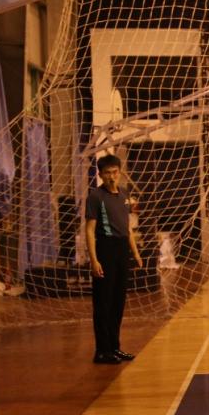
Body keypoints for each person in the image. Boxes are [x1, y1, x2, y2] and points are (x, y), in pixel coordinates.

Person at [85, 154, 143, 364]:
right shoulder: (95, 197)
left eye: (115, 172)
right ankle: (102, 350)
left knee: (118, 301)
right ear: (100, 175)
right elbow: (89, 230)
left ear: (120, 172)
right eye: (107, 173)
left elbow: (127, 227)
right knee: (104, 302)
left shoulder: (124, 194)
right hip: (105, 248)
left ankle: (114, 347)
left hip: (121, 250)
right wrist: (94, 260)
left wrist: (135, 253)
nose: (112, 176)